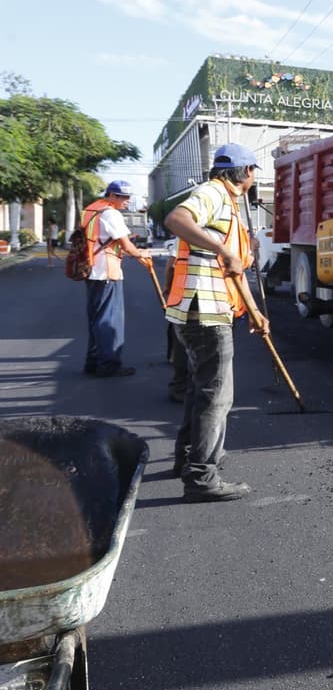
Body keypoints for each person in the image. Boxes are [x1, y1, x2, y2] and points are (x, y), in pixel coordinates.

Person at [164, 142, 269, 503]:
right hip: (204, 312)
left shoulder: (229, 204)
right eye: (253, 172)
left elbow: (234, 271)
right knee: (217, 397)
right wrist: (223, 249)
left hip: (201, 309)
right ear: (246, 172)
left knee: (201, 390)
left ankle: (186, 460)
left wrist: (254, 312)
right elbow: (176, 219)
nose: (254, 179)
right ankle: (202, 477)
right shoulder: (213, 193)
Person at [81, 181, 154, 377]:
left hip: (91, 269)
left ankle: (93, 362)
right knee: (109, 321)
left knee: (96, 319)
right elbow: (126, 245)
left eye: (129, 197)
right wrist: (141, 253)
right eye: (123, 197)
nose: (127, 201)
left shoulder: (91, 209)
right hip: (107, 271)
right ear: (112, 195)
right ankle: (108, 365)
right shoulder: (111, 214)